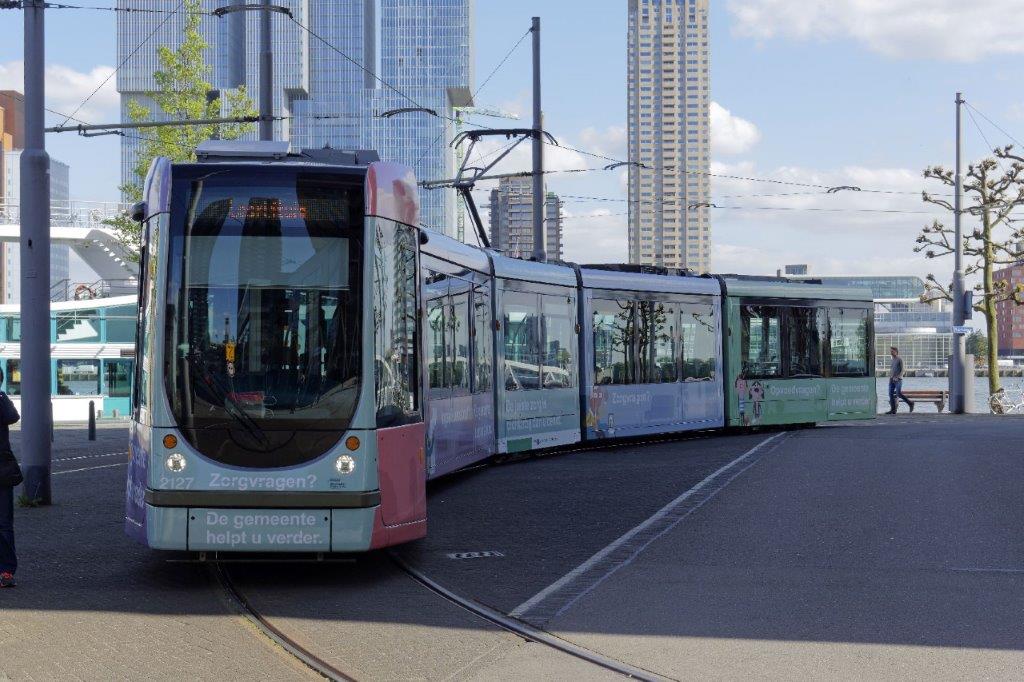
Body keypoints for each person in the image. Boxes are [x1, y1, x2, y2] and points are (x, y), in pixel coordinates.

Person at [0, 367, 20, 588]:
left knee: (4, 524)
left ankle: (6, 571)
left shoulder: (1, 401)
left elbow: (13, 416)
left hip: (2, 473)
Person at [887, 346, 914, 415]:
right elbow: (892, 370)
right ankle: (893, 410)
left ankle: (910, 403)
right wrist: (890, 378)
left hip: (898, 380)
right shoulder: (892, 360)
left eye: (892, 351)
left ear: (896, 352)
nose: (891, 352)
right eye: (890, 351)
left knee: (898, 393)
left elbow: (903, 370)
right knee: (890, 394)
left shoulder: (900, 359)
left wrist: (898, 377)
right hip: (891, 380)